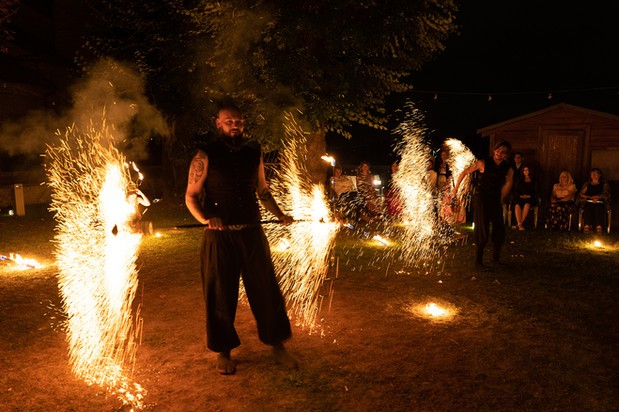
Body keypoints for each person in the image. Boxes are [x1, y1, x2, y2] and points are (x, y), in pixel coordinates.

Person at [185, 105, 298, 375]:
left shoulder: (253, 153)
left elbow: (262, 190)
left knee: (266, 290)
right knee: (220, 293)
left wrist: (280, 214)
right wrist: (205, 219)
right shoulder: (205, 155)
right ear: (218, 124)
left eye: (239, 121)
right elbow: (190, 196)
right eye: (229, 121)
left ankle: (277, 344)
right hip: (219, 237)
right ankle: (224, 351)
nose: (234, 125)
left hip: (252, 231)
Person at [453, 141, 513, 270]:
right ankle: (478, 261)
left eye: (503, 152)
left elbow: (508, 183)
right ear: (494, 151)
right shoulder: (483, 162)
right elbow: (464, 172)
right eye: (497, 151)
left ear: (506, 155)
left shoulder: (508, 168)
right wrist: (456, 189)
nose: (499, 154)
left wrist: (501, 198)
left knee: (499, 228)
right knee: (482, 229)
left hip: (495, 199)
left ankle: (495, 259)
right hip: (482, 199)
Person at [578, 168, 611, 234]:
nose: (594, 176)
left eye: (595, 174)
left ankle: (599, 227)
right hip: (588, 201)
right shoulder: (587, 184)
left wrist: (598, 197)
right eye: (592, 174)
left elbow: (606, 193)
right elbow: (581, 194)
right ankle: (586, 226)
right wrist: (590, 197)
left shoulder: (603, 184)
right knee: (588, 207)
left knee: (599, 207)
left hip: (600, 202)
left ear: (599, 175)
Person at [512, 165, 536, 231]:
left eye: (527, 170)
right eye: (524, 170)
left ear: (530, 171)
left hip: (529, 198)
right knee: (517, 205)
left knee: (527, 204)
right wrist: (520, 196)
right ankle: (520, 224)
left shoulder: (533, 180)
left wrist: (529, 196)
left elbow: (535, 191)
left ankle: (519, 224)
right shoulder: (520, 179)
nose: (525, 171)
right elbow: (515, 190)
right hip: (520, 197)